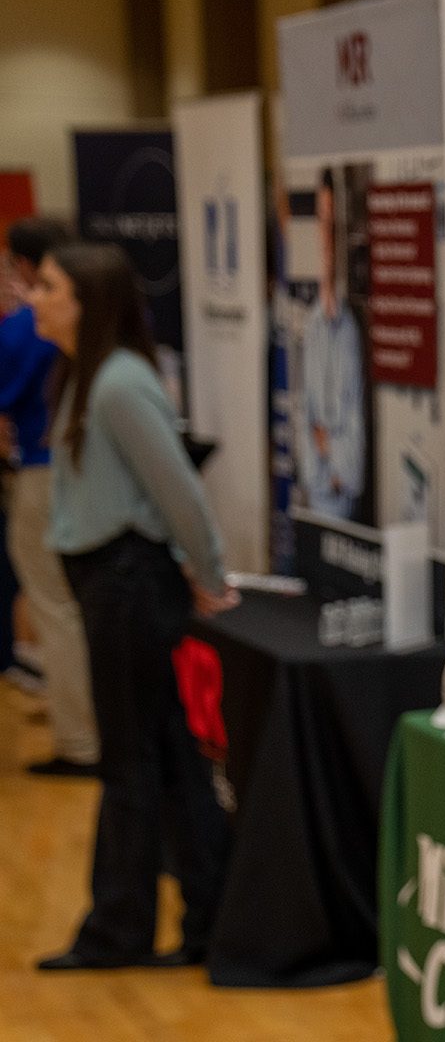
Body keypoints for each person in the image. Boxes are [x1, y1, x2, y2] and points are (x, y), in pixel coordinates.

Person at [29, 241, 237, 970]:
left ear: (89, 301)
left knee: (135, 764)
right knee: (166, 760)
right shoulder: (89, 377)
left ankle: (121, 930)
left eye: (49, 286)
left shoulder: (118, 385)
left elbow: (179, 491)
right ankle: (204, 921)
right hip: (116, 587)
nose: (35, 297)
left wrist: (208, 574)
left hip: (129, 588)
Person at [3, 217, 98, 774]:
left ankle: (81, 738)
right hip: (86, 474)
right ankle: (90, 719)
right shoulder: (106, 316)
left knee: (56, 608)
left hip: (44, 473)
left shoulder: (23, 330)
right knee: (77, 606)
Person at [298, 168, 366, 521]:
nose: (325, 236)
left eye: (331, 223)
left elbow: (352, 411)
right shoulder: (311, 327)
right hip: (317, 484)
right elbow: (305, 410)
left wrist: (338, 460)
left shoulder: (346, 331)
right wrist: (317, 456)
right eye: (320, 220)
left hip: (339, 489)